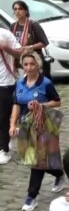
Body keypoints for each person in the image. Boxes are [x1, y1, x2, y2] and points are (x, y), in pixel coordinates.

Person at [10, 51, 64, 211]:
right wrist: (12, 124)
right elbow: (16, 105)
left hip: (43, 126)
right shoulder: (19, 83)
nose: (29, 67)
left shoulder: (45, 83)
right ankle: (58, 173)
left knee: (37, 161)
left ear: (38, 64)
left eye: (32, 64)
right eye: (25, 64)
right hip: (26, 126)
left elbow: (57, 102)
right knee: (33, 159)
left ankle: (31, 197)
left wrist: (41, 105)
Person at [10, 0, 50, 77]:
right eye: (15, 9)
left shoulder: (33, 25)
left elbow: (44, 42)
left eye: (20, 9)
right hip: (19, 63)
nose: (17, 11)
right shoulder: (13, 26)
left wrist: (31, 47)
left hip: (33, 61)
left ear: (26, 11)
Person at [0, 28, 21, 165]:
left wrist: (5, 47)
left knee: (3, 117)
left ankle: (3, 149)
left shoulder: (5, 33)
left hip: (5, 82)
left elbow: (20, 52)